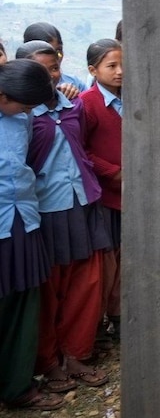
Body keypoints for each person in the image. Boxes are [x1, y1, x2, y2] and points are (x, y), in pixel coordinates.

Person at [15, 41, 111, 393]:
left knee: (86, 284)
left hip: (83, 201)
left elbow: (84, 148)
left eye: (54, 69)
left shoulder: (73, 107)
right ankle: (49, 362)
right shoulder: (21, 115)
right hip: (45, 209)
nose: (50, 77)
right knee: (49, 288)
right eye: (41, 71)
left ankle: (77, 354)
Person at [0, 59, 66, 411]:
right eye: (22, 105)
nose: (26, 111)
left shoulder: (21, 116)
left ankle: (18, 385)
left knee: (25, 303)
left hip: (23, 219)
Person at [79, 39, 124, 344]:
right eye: (112, 66)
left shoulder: (131, 99)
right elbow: (80, 151)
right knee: (106, 262)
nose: (120, 72)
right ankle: (98, 325)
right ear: (93, 70)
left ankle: (121, 317)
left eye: (123, 65)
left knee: (126, 260)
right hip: (106, 196)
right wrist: (114, 172)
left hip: (130, 196)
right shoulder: (88, 104)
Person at [23, 22, 88, 94]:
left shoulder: (74, 83)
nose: (57, 58)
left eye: (59, 51)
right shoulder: (18, 88)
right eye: (47, 54)